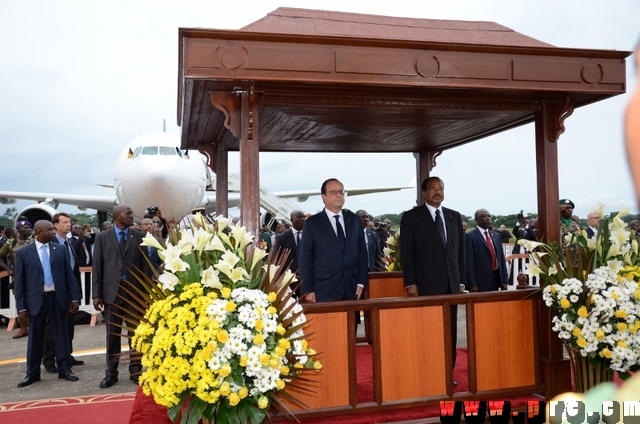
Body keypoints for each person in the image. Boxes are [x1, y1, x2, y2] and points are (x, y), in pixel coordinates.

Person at [399, 176, 465, 386]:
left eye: (441, 188)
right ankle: (428, 370)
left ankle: (448, 371)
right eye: (434, 188)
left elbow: (459, 253)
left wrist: (461, 280)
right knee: (428, 330)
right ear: (424, 193)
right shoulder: (411, 217)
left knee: (450, 331)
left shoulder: (454, 216)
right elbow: (406, 252)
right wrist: (410, 282)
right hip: (426, 284)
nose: (438, 191)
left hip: (450, 285)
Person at [14, 220, 80, 387]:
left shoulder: (60, 249)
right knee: (35, 338)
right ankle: (33, 372)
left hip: (58, 298)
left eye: (53, 228)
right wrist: (21, 307)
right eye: (49, 229)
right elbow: (20, 283)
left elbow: (69, 276)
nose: (53, 231)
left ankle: (65, 369)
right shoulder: (24, 253)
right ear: (38, 231)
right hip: (35, 301)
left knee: (61, 336)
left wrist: (74, 299)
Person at [92, 204, 149, 388]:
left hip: (134, 294)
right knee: (112, 335)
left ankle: (136, 370)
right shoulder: (102, 238)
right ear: (117, 216)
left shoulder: (139, 236)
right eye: (128, 213)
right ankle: (111, 372)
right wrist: (96, 294)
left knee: (135, 334)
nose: (132, 216)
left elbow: (145, 267)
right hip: (111, 293)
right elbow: (98, 267)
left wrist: (147, 293)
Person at [299, 178, 368, 302]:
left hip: (352, 289)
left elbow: (362, 254)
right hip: (324, 290)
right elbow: (305, 259)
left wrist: (361, 282)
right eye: (333, 192)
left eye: (341, 191)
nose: (339, 195)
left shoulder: (354, 221)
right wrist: (308, 289)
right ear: (323, 196)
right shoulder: (312, 224)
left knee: (350, 322)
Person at [43, 213, 84, 373]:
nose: (69, 225)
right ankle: (49, 359)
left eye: (69, 222)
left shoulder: (68, 242)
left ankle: (67, 355)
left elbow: (73, 270)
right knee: (51, 328)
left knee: (69, 326)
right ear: (55, 225)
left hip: (69, 293)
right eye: (65, 222)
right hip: (54, 293)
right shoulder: (50, 244)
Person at [0, 220, 34, 339]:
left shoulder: (34, 241)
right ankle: (23, 328)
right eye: (24, 228)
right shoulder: (10, 243)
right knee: (20, 302)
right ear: (18, 230)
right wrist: (8, 269)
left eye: (29, 228)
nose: (27, 230)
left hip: (33, 277)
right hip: (18, 278)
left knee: (34, 301)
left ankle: (34, 326)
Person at [465, 209, 508, 292]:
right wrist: (473, 284)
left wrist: (504, 281)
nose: (487, 218)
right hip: (480, 281)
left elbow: (501, 259)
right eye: (483, 216)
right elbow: (469, 262)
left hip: (496, 278)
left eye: (489, 216)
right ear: (476, 220)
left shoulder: (496, 236)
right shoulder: (470, 237)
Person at [272, 210, 305, 295]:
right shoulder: (282, 237)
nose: (302, 219)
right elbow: (276, 258)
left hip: (307, 279)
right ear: (291, 219)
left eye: (303, 217)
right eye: (299, 217)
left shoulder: (310, 235)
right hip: (289, 279)